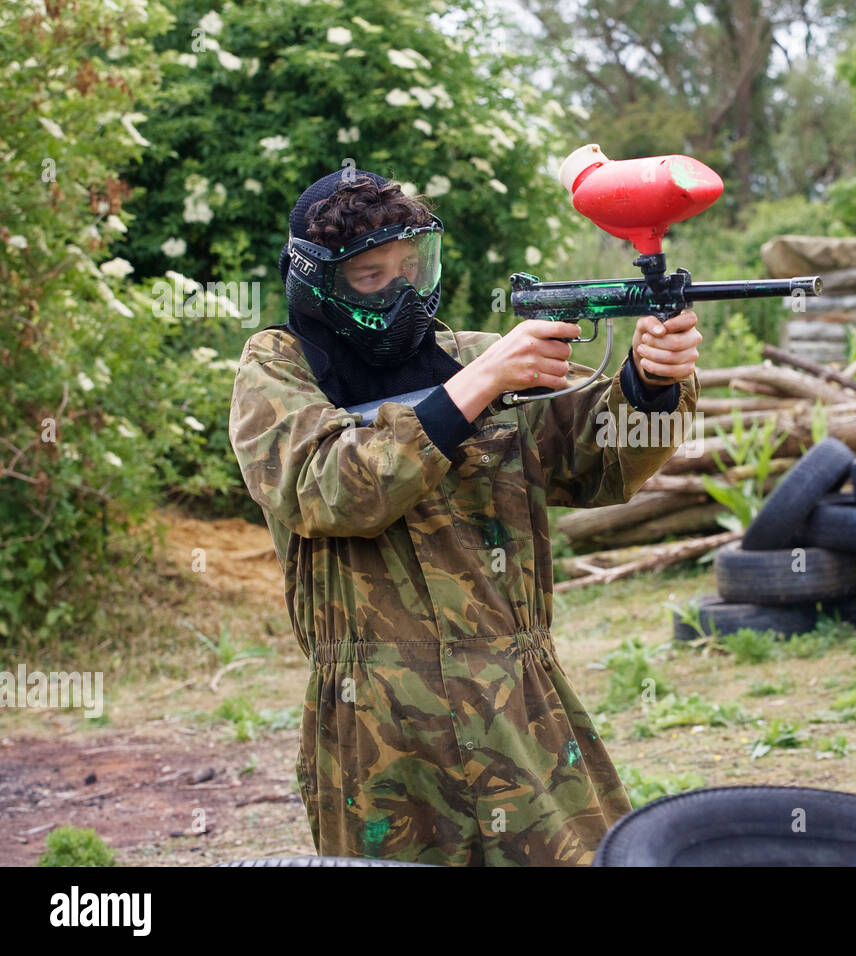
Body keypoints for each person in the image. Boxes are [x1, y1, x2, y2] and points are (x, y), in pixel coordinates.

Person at [228, 168, 701, 865]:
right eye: (370, 275)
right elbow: (327, 488)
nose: (399, 290)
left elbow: (598, 461)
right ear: (320, 282)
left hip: (519, 702)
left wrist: (650, 383)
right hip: (376, 727)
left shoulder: (474, 356)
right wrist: (476, 389)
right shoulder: (278, 368)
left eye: (411, 267)